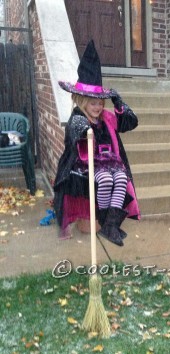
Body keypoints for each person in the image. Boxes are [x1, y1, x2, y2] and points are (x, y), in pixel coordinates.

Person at [53, 40, 140, 246]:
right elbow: (77, 134)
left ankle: (110, 225)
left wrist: (118, 101)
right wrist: (86, 130)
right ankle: (103, 218)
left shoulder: (107, 118)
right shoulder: (78, 118)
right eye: (93, 103)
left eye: (101, 103)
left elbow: (130, 121)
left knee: (120, 179)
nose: (98, 107)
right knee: (106, 181)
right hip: (88, 166)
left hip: (112, 162)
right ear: (82, 101)